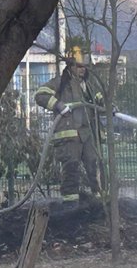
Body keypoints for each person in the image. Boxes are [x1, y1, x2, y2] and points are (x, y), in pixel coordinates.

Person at [34, 47, 105, 203]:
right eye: (79, 66)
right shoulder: (60, 82)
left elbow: (101, 102)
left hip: (87, 134)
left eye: (84, 66)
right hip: (68, 135)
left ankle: (99, 201)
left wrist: (109, 106)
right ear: (71, 66)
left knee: (94, 165)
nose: (82, 69)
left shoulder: (89, 85)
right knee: (71, 169)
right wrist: (58, 105)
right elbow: (40, 95)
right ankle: (70, 204)